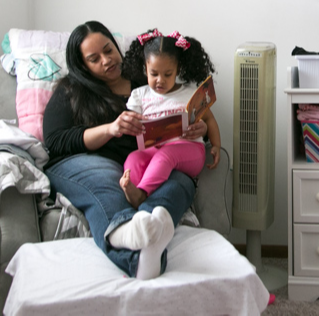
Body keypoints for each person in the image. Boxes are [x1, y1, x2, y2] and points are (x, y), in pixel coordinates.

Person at [42, 20, 209, 280]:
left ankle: (148, 226)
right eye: (94, 58)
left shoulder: (150, 80)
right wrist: (110, 128)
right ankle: (137, 257)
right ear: (82, 65)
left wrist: (200, 129)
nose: (106, 60)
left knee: (180, 182)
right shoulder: (71, 90)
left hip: (149, 161)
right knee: (111, 183)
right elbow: (54, 140)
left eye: (108, 50)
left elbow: (189, 112)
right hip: (86, 161)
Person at [119, 28, 221, 210]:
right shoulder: (139, 95)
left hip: (190, 150)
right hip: (154, 149)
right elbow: (130, 121)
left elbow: (210, 120)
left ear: (178, 70)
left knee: (166, 155)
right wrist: (129, 122)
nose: (160, 80)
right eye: (154, 74)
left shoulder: (190, 93)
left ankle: (141, 195)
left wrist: (215, 145)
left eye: (167, 74)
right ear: (145, 69)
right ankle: (132, 194)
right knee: (133, 158)